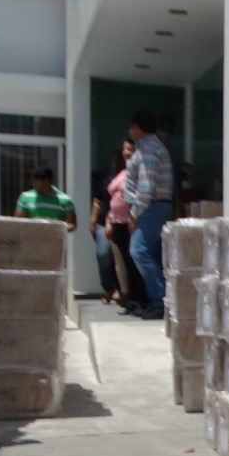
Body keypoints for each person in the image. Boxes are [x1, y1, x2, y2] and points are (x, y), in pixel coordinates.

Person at [123, 111, 173, 320]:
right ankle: (158, 300)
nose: (129, 131)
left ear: (136, 127)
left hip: (152, 207)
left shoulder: (149, 150)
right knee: (150, 254)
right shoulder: (148, 147)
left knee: (138, 250)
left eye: (130, 127)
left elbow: (145, 187)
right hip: (152, 207)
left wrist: (134, 214)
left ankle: (160, 301)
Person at [105, 142, 147, 312]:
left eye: (130, 149)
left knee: (132, 261)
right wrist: (109, 220)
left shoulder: (139, 172)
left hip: (131, 222)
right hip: (117, 222)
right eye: (124, 149)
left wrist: (134, 217)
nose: (126, 152)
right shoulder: (123, 171)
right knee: (121, 261)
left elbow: (141, 196)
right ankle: (127, 297)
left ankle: (139, 299)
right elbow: (113, 199)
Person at [88, 167, 119, 301]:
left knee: (121, 258)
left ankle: (119, 289)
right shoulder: (107, 180)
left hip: (121, 223)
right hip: (102, 222)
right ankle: (108, 289)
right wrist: (93, 221)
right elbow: (97, 201)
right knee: (103, 254)